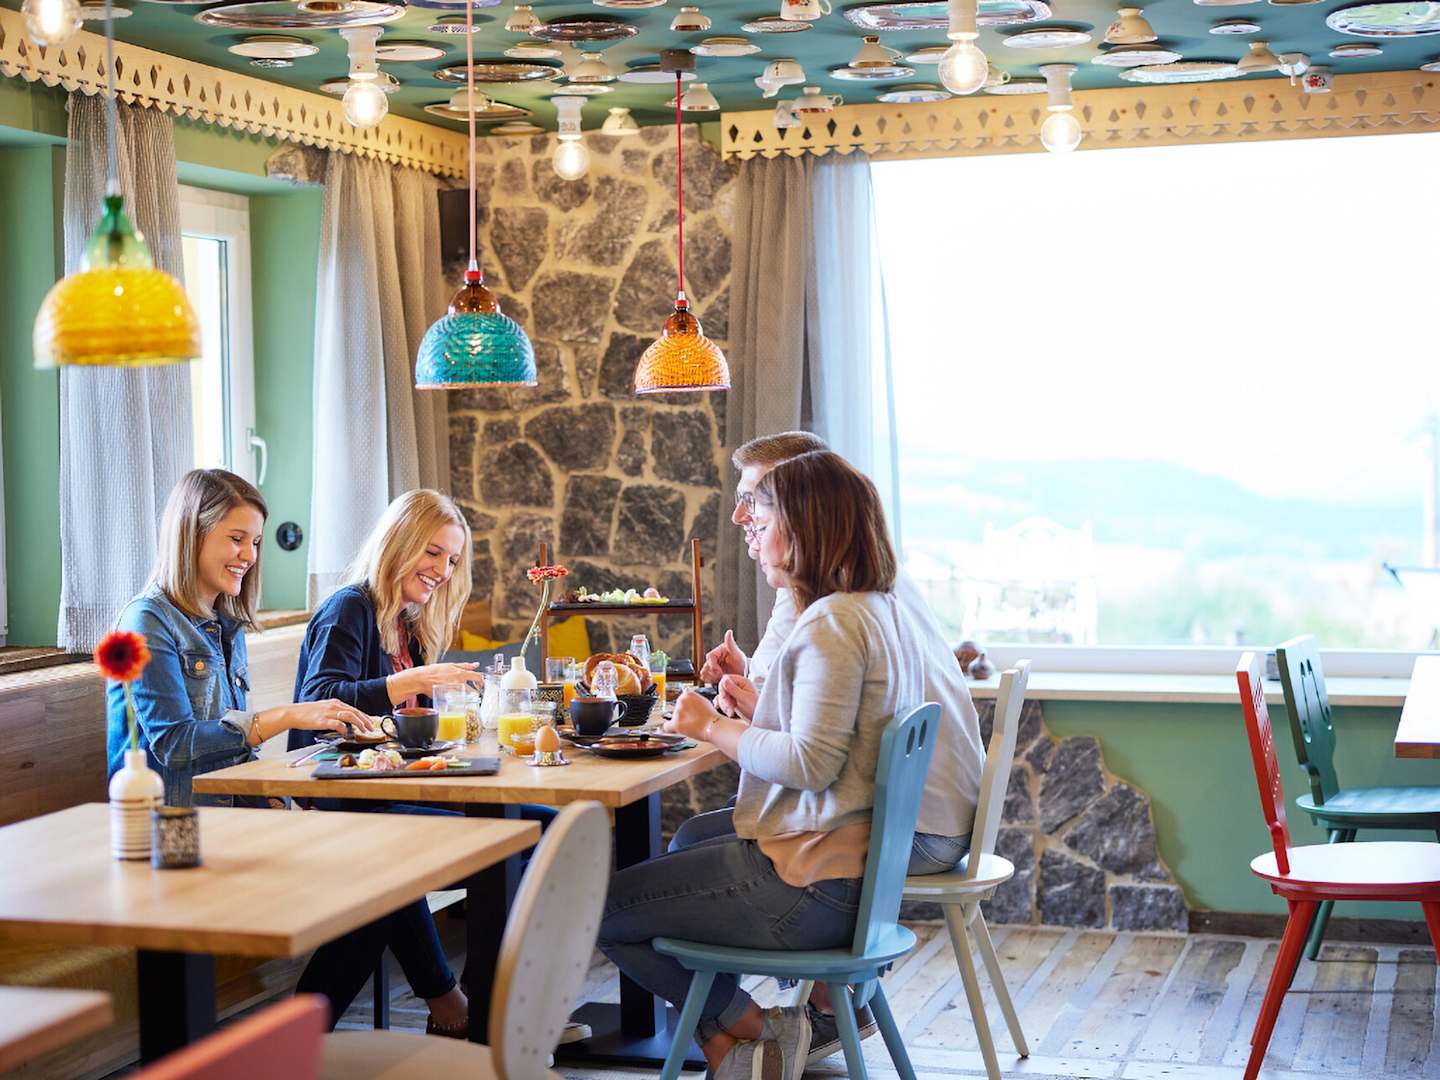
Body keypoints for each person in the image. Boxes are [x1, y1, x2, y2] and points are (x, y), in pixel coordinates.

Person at [598, 452, 923, 1079]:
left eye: (764, 519)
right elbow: (829, 740)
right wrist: (754, 707)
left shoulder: (832, 624)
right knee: (686, 848)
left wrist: (709, 726)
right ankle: (742, 1048)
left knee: (603, 911)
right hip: (855, 882)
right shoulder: (874, 611)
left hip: (812, 887)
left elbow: (811, 763)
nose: (752, 530)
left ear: (803, 529)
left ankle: (759, 1033)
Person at [692, 431, 985, 1062]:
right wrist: (750, 687)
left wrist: (717, 723)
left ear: (802, 503)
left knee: (694, 856)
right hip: (935, 816)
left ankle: (776, 1017)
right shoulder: (873, 585)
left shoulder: (826, 601)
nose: (743, 518)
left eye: (756, 500)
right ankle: (822, 1003)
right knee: (700, 842)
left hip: (908, 831)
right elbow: (801, 700)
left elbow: (809, 753)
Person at [288, 489, 481, 1036]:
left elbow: (401, 727)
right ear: (398, 542)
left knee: (537, 825)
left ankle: (466, 1003)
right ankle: (460, 1006)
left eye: (452, 559)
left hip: (386, 793)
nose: (443, 569)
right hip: (334, 798)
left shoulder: (407, 624)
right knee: (411, 860)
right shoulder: (349, 608)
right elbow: (321, 698)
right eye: (433, 552)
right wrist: (412, 681)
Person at [106, 468, 375, 809]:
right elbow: (174, 744)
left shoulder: (227, 625)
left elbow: (233, 747)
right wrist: (288, 716)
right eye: (237, 539)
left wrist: (271, 797)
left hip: (233, 814)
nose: (250, 556)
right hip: (176, 823)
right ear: (192, 535)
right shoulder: (147, 621)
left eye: (256, 542)